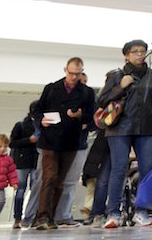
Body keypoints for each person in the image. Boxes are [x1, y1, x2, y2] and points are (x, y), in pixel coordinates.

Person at [96, 39, 152, 228]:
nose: (140, 54)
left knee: (146, 170)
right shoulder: (116, 75)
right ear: (126, 55)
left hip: (146, 129)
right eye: (135, 52)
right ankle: (113, 213)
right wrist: (121, 86)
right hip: (119, 128)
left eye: (142, 51)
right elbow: (101, 101)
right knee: (118, 170)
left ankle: (141, 212)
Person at [31, 57, 95, 230]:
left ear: (82, 72)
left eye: (78, 73)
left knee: (60, 180)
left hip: (71, 141)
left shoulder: (87, 92)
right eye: (71, 73)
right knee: (48, 177)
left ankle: (51, 217)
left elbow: (92, 117)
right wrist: (41, 120)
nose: (74, 77)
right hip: (50, 139)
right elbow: (37, 110)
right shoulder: (51, 88)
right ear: (65, 70)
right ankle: (42, 217)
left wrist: (80, 115)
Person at [53, 71, 92, 228]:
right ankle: (50, 215)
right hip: (59, 145)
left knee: (71, 182)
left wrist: (84, 120)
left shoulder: (88, 99)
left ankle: (64, 215)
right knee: (54, 181)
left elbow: (94, 120)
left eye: (83, 81)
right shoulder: (60, 96)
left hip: (80, 145)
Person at [9, 101, 40, 229]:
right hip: (22, 162)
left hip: (36, 161)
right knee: (20, 190)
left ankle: (31, 216)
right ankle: (17, 217)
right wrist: (29, 140)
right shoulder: (21, 125)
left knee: (35, 189)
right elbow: (12, 143)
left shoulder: (43, 125)